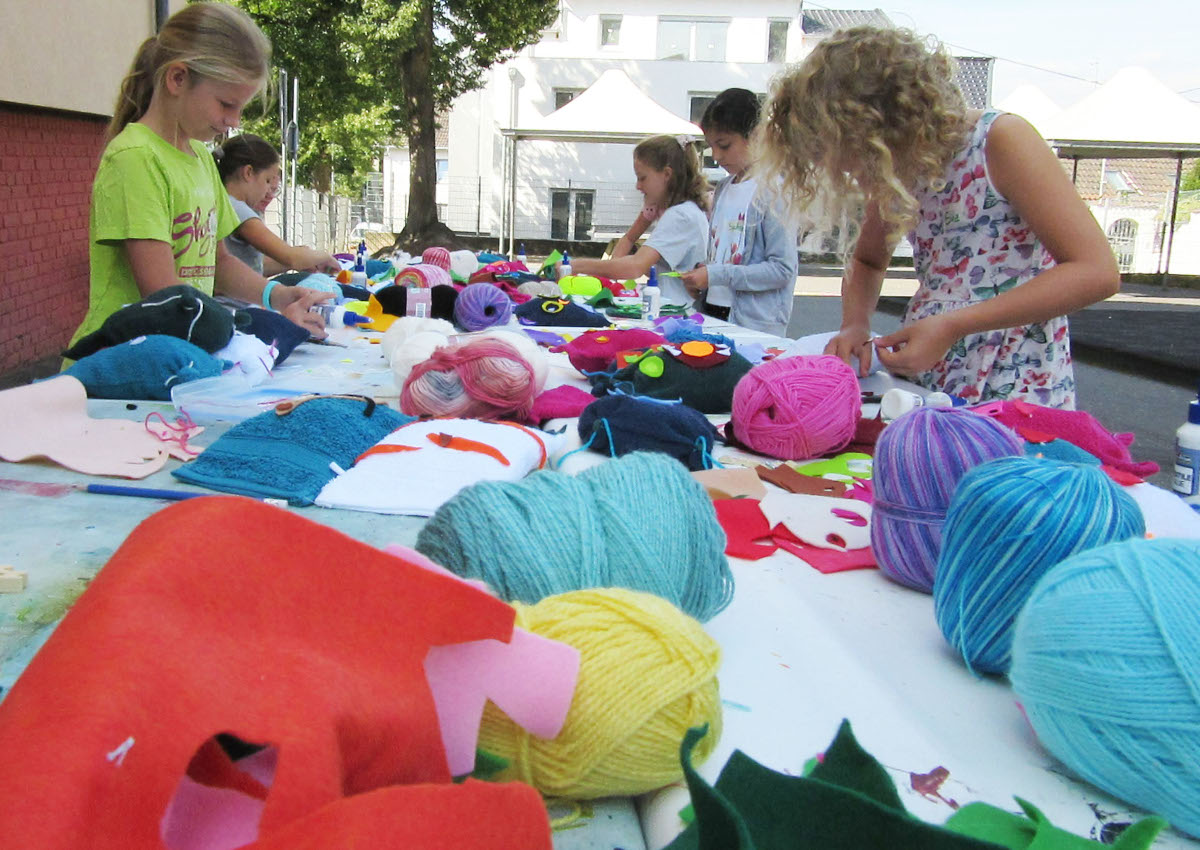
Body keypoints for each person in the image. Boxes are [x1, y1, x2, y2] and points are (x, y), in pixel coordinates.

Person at [757, 26, 1119, 408]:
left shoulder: (1001, 140)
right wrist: (855, 323)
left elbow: (1096, 271)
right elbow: (867, 259)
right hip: (935, 364)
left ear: (884, 126)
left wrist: (954, 324)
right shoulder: (903, 165)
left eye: (857, 158)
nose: (857, 177)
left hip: (1015, 370)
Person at [67, 2, 328, 356]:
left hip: (178, 353)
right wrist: (264, 328)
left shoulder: (202, 158)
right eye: (226, 104)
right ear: (177, 78)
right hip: (123, 364)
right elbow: (167, 297)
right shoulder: (135, 159)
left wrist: (278, 297)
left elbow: (218, 263)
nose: (234, 121)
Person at [678, 88, 799, 336]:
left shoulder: (775, 191)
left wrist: (716, 274)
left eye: (724, 145)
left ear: (755, 136)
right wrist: (703, 273)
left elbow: (782, 270)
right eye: (712, 146)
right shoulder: (723, 188)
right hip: (712, 312)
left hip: (754, 326)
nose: (717, 156)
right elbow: (724, 255)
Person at [565, 135, 709, 307]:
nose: (638, 186)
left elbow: (635, 267)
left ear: (667, 174)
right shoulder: (684, 210)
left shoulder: (679, 216)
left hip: (677, 309)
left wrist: (574, 265)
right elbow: (637, 253)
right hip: (676, 305)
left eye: (643, 178)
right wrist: (613, 269)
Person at [214, 133, 339, 278]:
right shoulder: (239, 211)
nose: (268, 191)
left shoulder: (223, 202)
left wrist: (302, 259)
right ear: (248, 173)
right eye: (267, 181)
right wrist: (325, 257)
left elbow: (256, 266)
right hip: (236, 301)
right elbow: (292, 257)